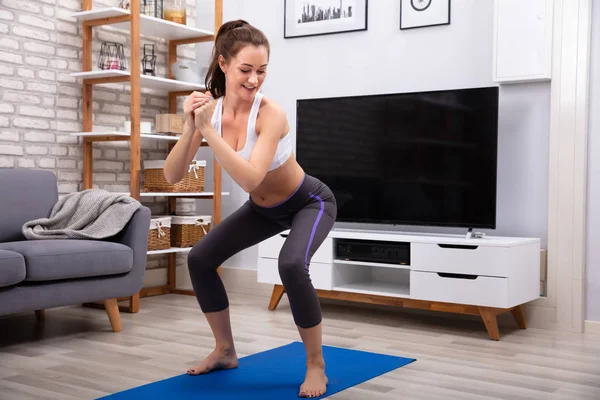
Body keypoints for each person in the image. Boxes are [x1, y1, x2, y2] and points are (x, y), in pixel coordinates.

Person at [163, 19, 337, 398]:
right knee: (200, 258)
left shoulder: (269, 113)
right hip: (263, 210)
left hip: (309, 202)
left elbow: (250, 179)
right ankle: (225, 351)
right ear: (223, 63)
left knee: (291, 264)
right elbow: (172, 174)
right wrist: (192, 127)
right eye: (246, 70)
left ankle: (315, 365)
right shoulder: (212, 112)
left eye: (262, 71)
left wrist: (207, 131)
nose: (255, 79)